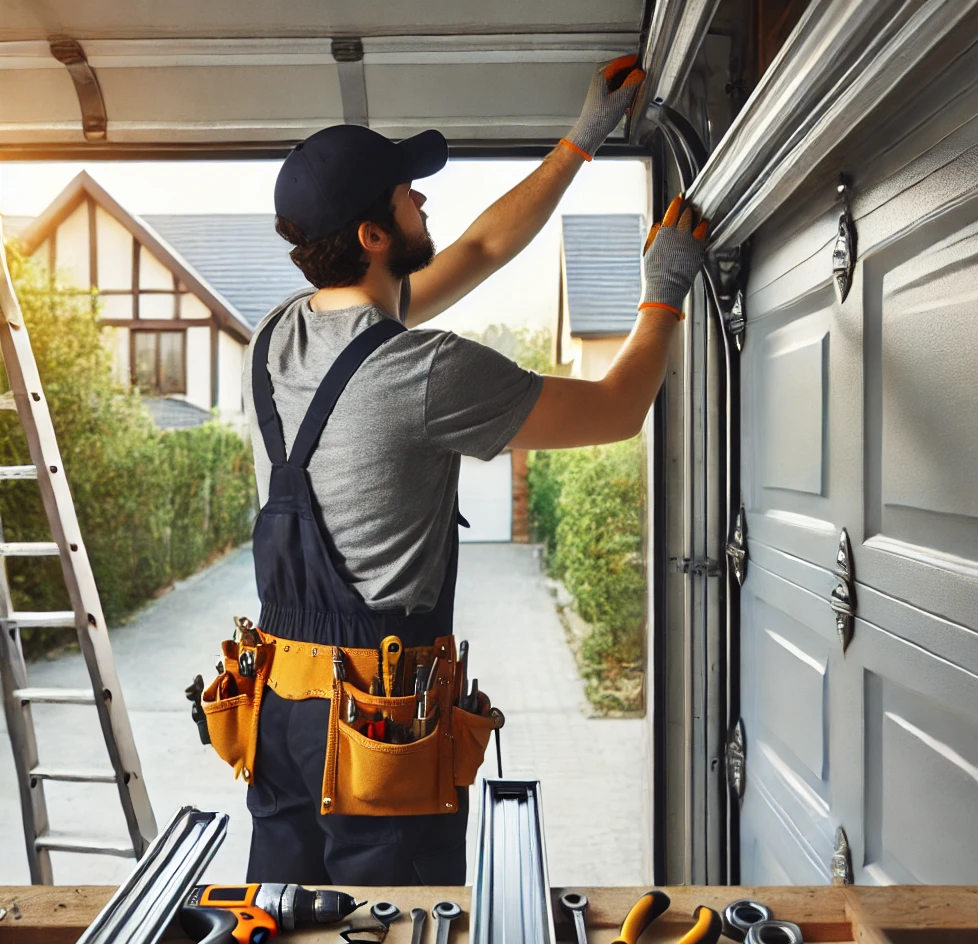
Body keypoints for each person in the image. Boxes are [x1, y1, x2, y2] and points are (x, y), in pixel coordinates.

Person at [240, 55, 707, 885]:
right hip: (385, 727)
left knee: (284, 928)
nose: (424, 200)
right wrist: (663, 296)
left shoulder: (273, 336)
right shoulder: (422, 370)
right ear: (373, 237)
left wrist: (580, 141)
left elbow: (485, 247)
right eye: (406, 194)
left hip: (281, 714)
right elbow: (616, 409)